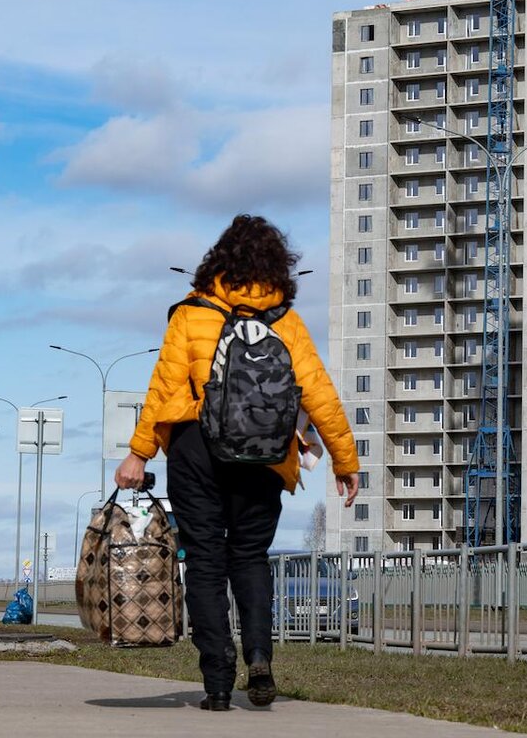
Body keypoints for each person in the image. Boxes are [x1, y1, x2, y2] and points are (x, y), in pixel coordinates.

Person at [114, 214, 359, 711]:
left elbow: (163, 388)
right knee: (249, 558)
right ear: (277, 267)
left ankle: (219, 680)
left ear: (218, 262)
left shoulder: (191, 314)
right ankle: (260, 657)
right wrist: (343, 459)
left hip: (196, 450)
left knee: (206, 560)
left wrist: (139, 453)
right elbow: (319, 391)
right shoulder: (286, 321)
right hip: (265, 456)